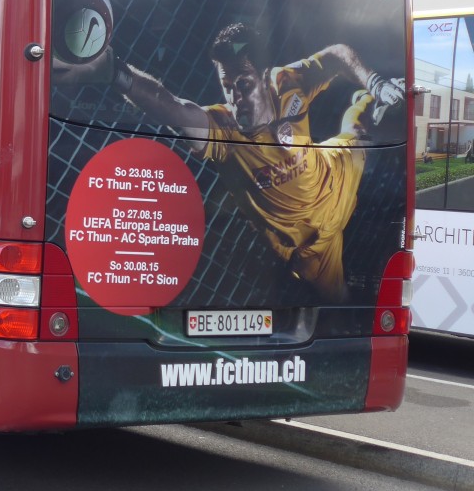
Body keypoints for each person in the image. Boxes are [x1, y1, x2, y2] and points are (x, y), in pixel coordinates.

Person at [100, 23, 404, 301]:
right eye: (227, 86)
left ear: (264, 77)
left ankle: (374, 98)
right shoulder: (221, 131)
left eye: (243, 84)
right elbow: (172, 107)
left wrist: (375, 82)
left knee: (361, 130)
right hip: (310, 242)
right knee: (338, 297)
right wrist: (117, 74)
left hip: (335, 172)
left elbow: (337, 56)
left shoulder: (286, 83)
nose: (236, 98)